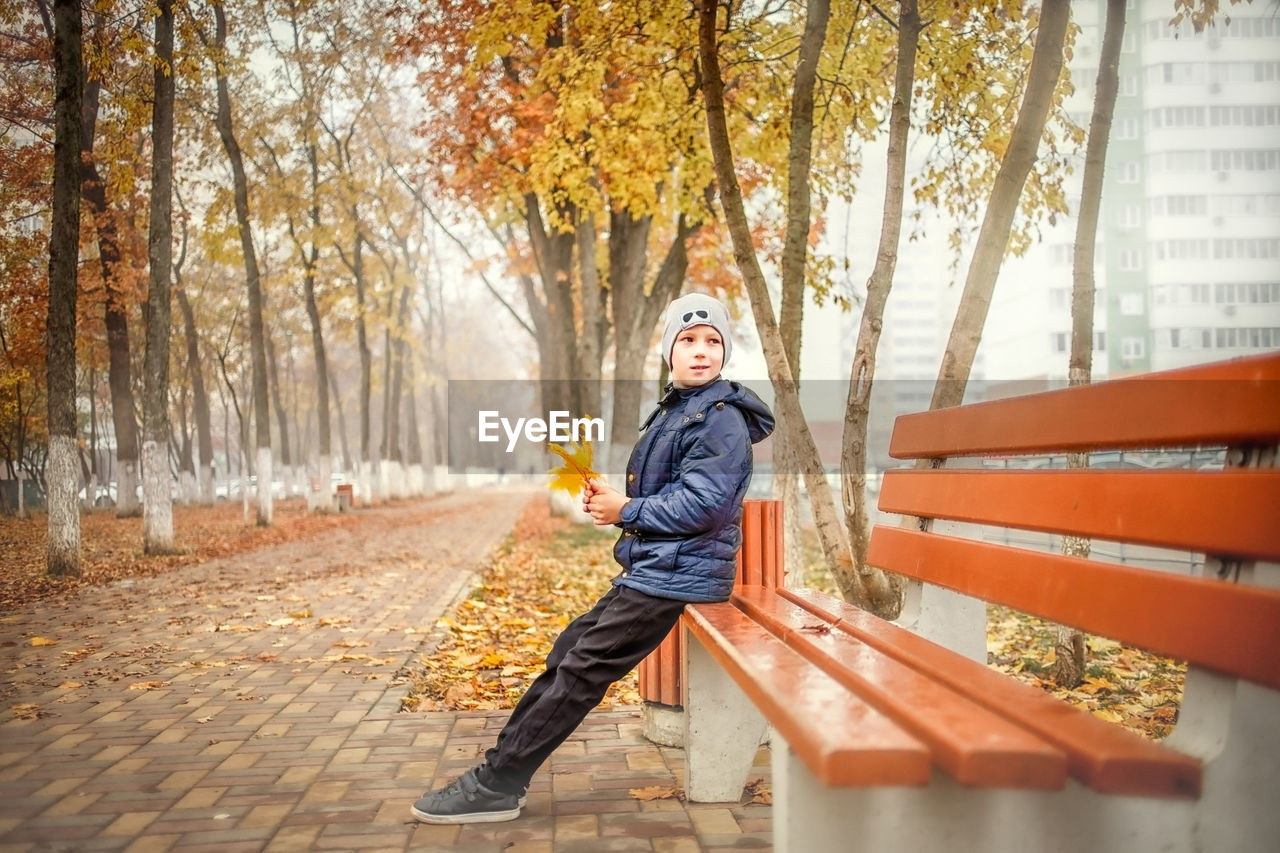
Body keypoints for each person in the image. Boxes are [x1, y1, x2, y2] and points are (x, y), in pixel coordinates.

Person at [410, 292, 775, 824]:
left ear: (724, 352)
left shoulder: (719, 418)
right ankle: (496, 772)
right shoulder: (679, 409)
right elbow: (671, 490)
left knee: (582, 669)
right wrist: (616, 503)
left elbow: (702, 505)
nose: (701, 351)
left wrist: (626, 509)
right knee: (569, 652)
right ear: (668, 352)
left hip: (678, 574)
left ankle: (498, 783)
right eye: (688, 340)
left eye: (713, 342)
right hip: (657, 568)